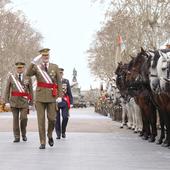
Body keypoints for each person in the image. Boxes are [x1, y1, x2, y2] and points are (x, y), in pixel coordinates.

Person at [26, 48, 62, 149]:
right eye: (43, 56)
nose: (46, 57)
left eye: (47, 55)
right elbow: (28, 74)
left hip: (52, 97)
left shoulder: (55, 67)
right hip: (40, 97)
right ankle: (42, 142)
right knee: (40, 121)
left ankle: (49, 134)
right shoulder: (37, 67)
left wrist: (60, 96)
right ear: (41, 57)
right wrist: (33, 62)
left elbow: (59, 82)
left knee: (52, 119)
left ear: (49, 56)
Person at [4, 62, 33, 142]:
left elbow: (31, 91)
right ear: (16, 68)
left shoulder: (28, 77)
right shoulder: (11, 77)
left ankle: (23, 134)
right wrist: (7, 101)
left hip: (24, 102)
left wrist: (31, 103)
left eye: (21, 68)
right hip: (14, 101)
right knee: (15, 119)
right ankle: (17, 136)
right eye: (18, 68)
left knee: (24, 118)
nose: (19, 69)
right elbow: (7, 90)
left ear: (23, 68)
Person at [55, 68, 73, 139]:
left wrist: (71, 102)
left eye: (61, 73)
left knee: (65, 117)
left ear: (63, 74)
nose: (60, 74)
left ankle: (63, 131)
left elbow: (69, 92)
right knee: (56, 119)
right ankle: (58, 134)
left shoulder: (66, 81)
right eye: (59, 73)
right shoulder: (54, 81)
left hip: (64, 101)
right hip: (56, 102)